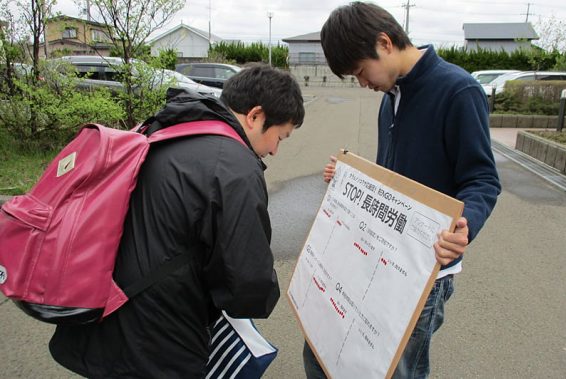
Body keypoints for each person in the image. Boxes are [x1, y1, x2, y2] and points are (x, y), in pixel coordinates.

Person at [49, 64, 305, 378]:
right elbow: (247, 283)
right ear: (255, 116)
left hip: (100, 310)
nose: (276, 150)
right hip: (156, 338)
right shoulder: (236, 167)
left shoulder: (166, 127)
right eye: (281, 136)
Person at [304, 2, 501, 378]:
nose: (362, 83)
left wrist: (466, 225)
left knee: (399, 371)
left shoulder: (458, 91)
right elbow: (393, 176)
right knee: (351, 357)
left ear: (385, 42)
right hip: (384, 261)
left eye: (361, 71)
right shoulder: (390, 97)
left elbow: (483, 179)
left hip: (426, 271)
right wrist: (349, 178)